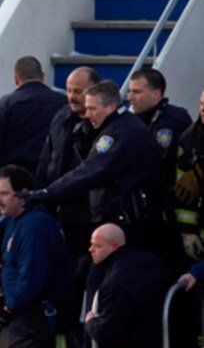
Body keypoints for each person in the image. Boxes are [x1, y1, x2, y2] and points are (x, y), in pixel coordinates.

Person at [24, 81, 163, 257]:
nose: (86, 115)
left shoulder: (120, 132)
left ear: (111, 106)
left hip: (132, 219)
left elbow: (93, 170)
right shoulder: (116, 126)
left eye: (92, 109)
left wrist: (48, 193)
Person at [0, 166, 76, 348]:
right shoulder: (15, 222)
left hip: (41, 306)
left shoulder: (35, 226)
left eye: (4, 193)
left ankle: (58, 346)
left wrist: (10, 308)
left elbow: (32, 275)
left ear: (24, 193)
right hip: (23, 303)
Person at [127, 67, 191, 266]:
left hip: (168, 206)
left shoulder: (172, 120)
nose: (130, 97)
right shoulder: (133, 121)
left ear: (156, 94)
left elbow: (159, 161)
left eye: (137, 92)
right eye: (130, 91)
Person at [0, 56, 68, 176]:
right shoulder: (64, 103)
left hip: (14, 179)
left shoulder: (5, 104)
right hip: (53, 177)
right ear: (43, 76)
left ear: (15, 79)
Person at [177, 88, 204, 263]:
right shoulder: (191, 138)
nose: (203, 110)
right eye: (202, 104)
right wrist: (188, 231)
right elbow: (183, 192)